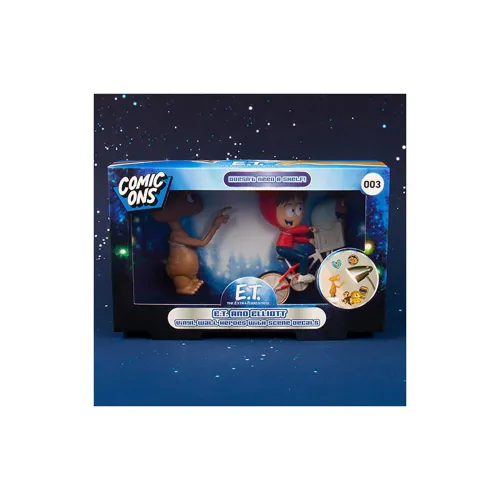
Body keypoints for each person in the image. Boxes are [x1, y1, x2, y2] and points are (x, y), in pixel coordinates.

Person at [259, 192, 316, 284]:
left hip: (283, 249)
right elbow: (297, 230)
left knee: (297, 260)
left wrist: (308, 240)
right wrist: (308, 228)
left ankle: (293, 274)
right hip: (283, 249)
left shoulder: (288, 233)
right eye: (291, 210)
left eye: (299, 209)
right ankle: (303, 275)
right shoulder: (288, 231)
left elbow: (296, 239)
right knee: (303, 257)